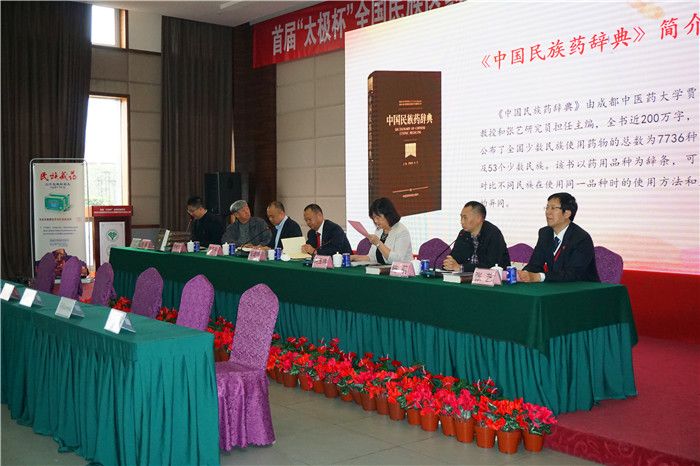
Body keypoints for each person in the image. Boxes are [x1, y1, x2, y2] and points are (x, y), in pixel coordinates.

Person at [518, 192, 599, 282]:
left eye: (553, 208)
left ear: (567, 213)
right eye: (547, 207)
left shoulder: (581, 238)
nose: (548, 212)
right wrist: (524, 274)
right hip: (555, 285)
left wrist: (539, 277)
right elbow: (535, 264)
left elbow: (573, 274)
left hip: (584, 287)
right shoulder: (545, 233)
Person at [443, 201, 510, 272]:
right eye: (461, 217)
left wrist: (461, 268)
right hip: (466, 276)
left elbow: (491, 265)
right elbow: (454, 258)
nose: (462, 222)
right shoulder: (463, 234)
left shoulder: (493, 234)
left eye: (465, 217)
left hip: (494, 277)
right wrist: (449, 264)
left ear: (478, 218)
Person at [351, 197, 413, 264]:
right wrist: (354, 257)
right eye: (374, 218)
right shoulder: (379, 230)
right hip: (382, 269)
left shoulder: (402, 231)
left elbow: (397, 260)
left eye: (378, 218)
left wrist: (378, 243)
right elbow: (371, 258)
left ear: (388, 215)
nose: (375, 221)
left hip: (400, 269)